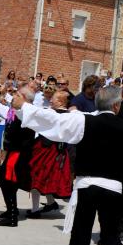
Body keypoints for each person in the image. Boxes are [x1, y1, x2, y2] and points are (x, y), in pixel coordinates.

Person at [12, 85, 123, 245]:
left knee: (81, 233)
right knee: (111, 234)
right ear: (117, 105)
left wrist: (24, 108)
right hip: (114, 188)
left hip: (87, 186)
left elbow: (53, 120)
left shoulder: (83, 120)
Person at [0, 87, 36, 227]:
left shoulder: (28, 112)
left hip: (19, 153)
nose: (14, 96)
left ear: (25, 98)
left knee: (6, 181)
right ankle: (11, 211)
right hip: (15, 151)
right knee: (5, 180)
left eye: (17, 95)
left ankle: (12, 216)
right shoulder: (19, 111)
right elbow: (4, 109)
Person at [26, 90, 72, 218]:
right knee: (45, 178)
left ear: (61, 101)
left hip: (48, 150)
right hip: (57, 151)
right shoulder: (70, 115)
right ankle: (51, 203)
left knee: (37, 177)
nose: (50, 100)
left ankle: (35, 210)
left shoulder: (54, 114)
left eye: (54, 99)